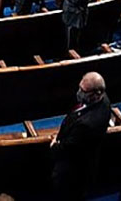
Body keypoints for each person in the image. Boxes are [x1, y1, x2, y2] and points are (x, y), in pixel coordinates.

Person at [50, 72, 111, 201]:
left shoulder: (87, 125)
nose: (79, 92)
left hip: (73, 173)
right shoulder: (103, 100)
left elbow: (67, 150)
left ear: (97, 93)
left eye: (83, 91)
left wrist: (55, 143)